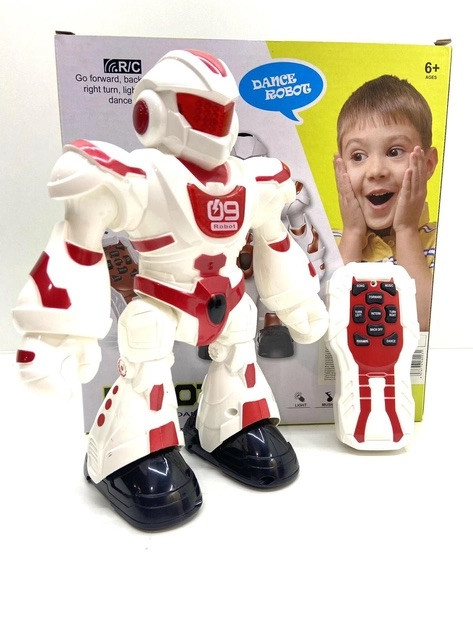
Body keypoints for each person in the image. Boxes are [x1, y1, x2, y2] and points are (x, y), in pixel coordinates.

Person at [13, 49, 329, 531]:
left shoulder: (254, 179)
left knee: (241, 329)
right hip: (162, 302)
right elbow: (77, 245)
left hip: (228, 302)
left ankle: (230, 426)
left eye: (221, 112)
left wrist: (297, 300)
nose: (213, 125)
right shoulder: (138, 178)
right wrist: (58, 333)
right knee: (146, 340)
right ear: (153, 112)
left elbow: (276, 240)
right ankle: (128, 454)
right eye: (201, 110)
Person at [333, 75, 438, 331]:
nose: (376, 171)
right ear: (341, 169)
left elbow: (425, 325)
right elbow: (325, 326)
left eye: (394, 152)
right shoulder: (329, 245)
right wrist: (353, 233)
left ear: (427, 164)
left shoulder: (447, 243)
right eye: (358, 156)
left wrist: (406, 230)